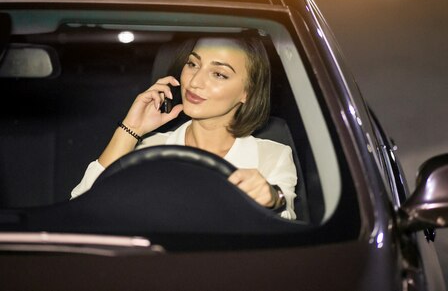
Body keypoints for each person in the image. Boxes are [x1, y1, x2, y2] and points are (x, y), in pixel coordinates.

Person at [71, 36, 297, 219]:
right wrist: (131, 128)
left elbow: (285, 225)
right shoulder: (147, 150)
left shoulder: (272, 156)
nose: (195, 81)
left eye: (218, 74)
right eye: (192, 64)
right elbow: (79, 210)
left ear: (248, 92)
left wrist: (272, 200)